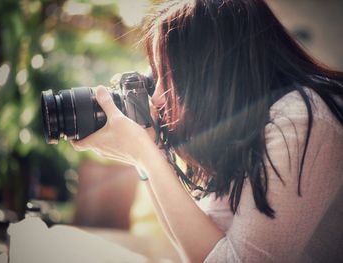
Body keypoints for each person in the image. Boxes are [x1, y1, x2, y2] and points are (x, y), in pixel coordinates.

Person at [71, 0, 343, 262]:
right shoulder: (239, 130)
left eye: (168, 77)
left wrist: (146, 155)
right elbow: (200, 251)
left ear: (213, 74)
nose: (156, 99)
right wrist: (149, 155)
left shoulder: (301, 119)